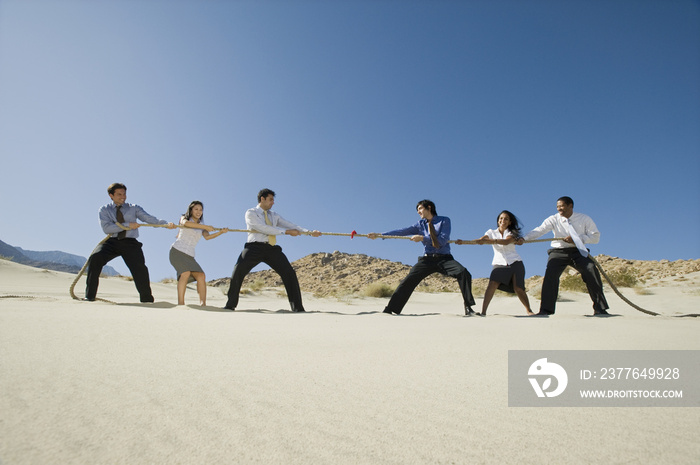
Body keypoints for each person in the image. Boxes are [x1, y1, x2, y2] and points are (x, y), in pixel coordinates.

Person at [368, 200, 476, 316]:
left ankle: (469, 308)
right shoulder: (420, 224)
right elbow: (402, 231)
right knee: (408, 280)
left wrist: (423, 238)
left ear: (429, 207)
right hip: (427, 260)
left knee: (463, 272)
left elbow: (442, 240)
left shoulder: (444, 220)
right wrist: (380, 235)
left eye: (420, 209)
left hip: (445, 258)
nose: (418, 212)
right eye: (417, 210)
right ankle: (391, 309)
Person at [224, 188, 321, 312]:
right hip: (254, 247)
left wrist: (309, 232)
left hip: (271, 249)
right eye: (270, 200)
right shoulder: (251, 212)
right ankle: (230, 305)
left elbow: (290, 225)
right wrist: (286, 232)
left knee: (289, 273)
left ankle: (298, 308)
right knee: (238, 270)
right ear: (262, 199)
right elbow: (262, 228)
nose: (273, 202)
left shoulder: (274, 215)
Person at [517, 196, 609, 316]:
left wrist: (577, 239)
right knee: (550, 276)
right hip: (558, 251)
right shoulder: (553, 219)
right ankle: (545, 310)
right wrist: (524, 238)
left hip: (578, 250)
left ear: (570, 206)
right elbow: (540, 230)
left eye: (562, 206)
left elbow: (595, 237)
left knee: (591, 270)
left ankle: (600, 309)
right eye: (557, 206)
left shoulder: (584, 218)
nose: (559, 209)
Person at [85, 183, 176, 302]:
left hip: (130, 243)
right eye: (119, 194)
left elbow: (150, 219)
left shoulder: (134, 208)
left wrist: (165, 224)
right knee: (95, 258)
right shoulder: (104, 210)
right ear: (111, 195)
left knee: (140, 269)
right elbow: (107, 228)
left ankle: (147, 300)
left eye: (124, 194)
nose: (123, 196)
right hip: (112, 241)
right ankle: (89, 297)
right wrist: (127, 225)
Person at [460, 210, 533, 316]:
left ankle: (529, 310)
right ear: (498, 220)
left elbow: (506, 242)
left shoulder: (512, 232)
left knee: (518, 288)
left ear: (510, 222)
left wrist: (492, 241)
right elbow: (484, 238)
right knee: (492, 284)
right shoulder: (491, 232)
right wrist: (474, 241)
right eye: (501, 218)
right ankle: (484, 311)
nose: (503, 220)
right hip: (499, 263)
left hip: (515, 262)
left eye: (506, 219)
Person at [169, 201, 229, 306]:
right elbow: (185, 224)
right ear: (191, 210)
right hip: (177, 251)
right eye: (196, 209)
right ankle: (181, 304)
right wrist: (205, 227)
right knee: (185, 273)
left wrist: (220, 232)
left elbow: (207, 237)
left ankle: (203, 304)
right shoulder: (185, 218)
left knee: (201, 275)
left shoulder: (202, 226)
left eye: (201, 210)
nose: (198, 212)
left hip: (190, 255)